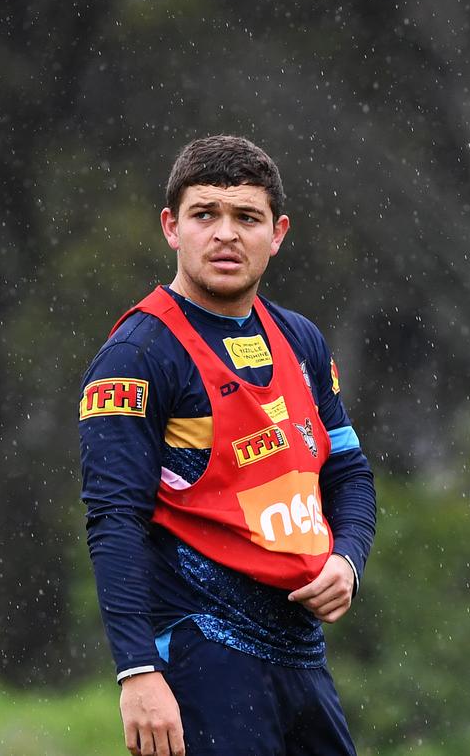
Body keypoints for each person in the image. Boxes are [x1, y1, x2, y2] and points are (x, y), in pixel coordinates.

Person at [79, 135, 376, 756]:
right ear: (171, 227)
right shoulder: (137, 355)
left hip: (302, 659)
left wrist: (348, 559)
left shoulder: (302, 340)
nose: (225, 234)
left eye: (246, 217)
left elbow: (348, 473)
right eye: (205, 214)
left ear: (278, 232)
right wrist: (137, 673)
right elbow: (115, 523)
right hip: (200, 658)